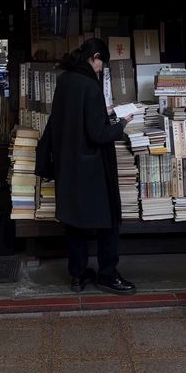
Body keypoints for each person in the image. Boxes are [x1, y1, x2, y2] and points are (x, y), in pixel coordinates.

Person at [48, 37, 136, 295]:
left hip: (68, 164)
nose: (101, 69)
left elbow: (66, 120)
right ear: (94, 56)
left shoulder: (64, 80)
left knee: (75, 222)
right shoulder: (90, 85)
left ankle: (77, 275)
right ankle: (107, 274)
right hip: (94, 168)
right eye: (101, 64)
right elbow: (98, 134)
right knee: (109, 222)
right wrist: (121, 124)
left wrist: (102, 111)